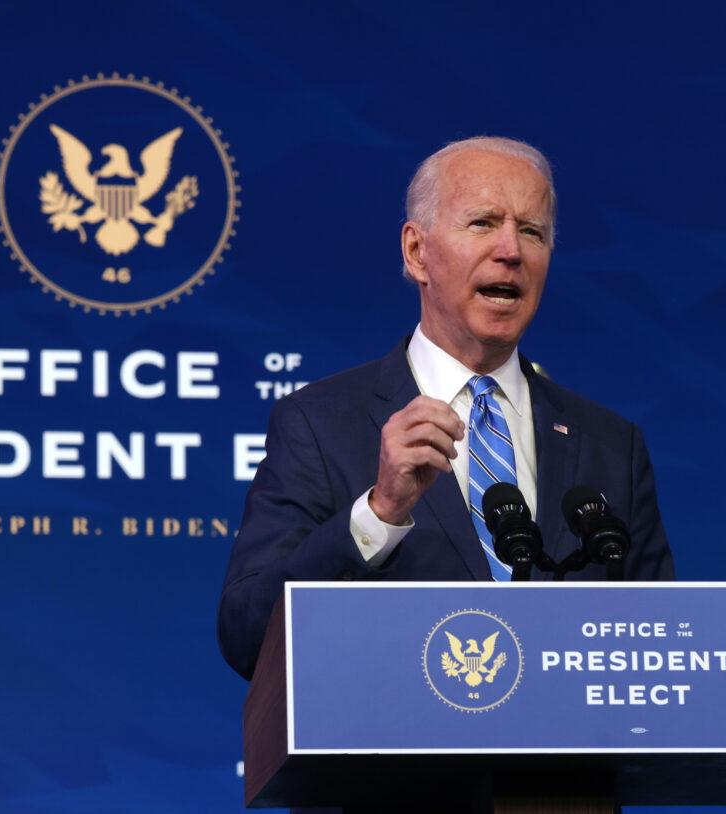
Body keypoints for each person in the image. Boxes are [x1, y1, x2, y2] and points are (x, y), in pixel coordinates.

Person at [218, 137, 674, 680]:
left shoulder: (610, 444)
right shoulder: (318, 424)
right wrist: (379, 512)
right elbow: (248, 635)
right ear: (416, 253)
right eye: (483, 223)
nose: (511, 250)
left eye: (532, 231)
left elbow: (657, 652)